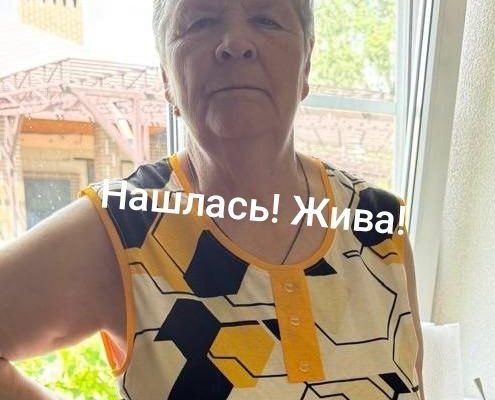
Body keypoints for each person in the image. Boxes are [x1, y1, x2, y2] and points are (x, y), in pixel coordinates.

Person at [0, 0, 425, 399]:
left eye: (266, 19)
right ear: (166, 77)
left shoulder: (378, 223)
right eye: (200, 22)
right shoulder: (125, 225)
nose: (236, 43)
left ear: (307, 64)